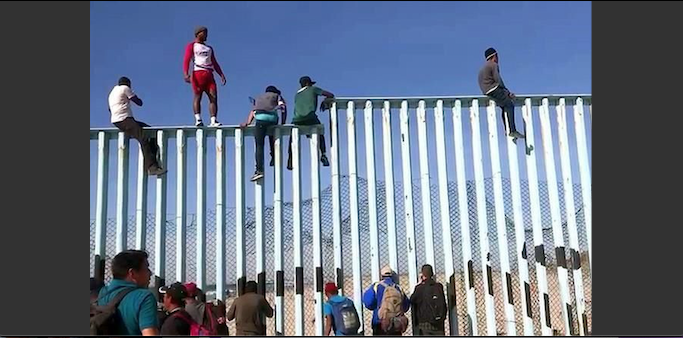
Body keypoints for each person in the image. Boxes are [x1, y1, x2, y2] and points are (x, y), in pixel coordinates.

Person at [108, 77, 166, 176]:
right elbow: (139, 102)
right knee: (143, 138)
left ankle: (150, 160)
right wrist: (132, 94)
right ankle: (152, 167)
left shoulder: (112, 92)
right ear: (128, 84)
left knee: (150, 130)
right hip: (124, 119)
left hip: (118, 120)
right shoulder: (125, 88)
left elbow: (109, 109)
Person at [96, 250, 160, 336]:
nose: (150, 273)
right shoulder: (144, 297)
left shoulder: (102, 293)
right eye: (146, 268)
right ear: (132, 273)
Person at [478, 47, 526, 143]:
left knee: (504, 106)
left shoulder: (483, 68)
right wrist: (507, 92)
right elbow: (498, 79)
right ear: (494, 56)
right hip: (493, 88)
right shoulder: (493, 65)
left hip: (486, 91)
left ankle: (507, 129)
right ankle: (512, 130)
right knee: (510, 104)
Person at [287, 76, 334, 170]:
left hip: (297, 119)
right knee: (320, 132)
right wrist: (324, 102)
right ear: (308, 84)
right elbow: (330, 94)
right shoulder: (313, 89)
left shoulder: (297, 94)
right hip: (310, 117)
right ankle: (323, 154)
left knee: (292, 137)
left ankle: (290, 159)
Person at [240, 86, 287, 182]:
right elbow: (283, 107)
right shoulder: (277, 96)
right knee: (272, 137)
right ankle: (273, 156)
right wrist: (283, 122)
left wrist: (247, 123)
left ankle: (259, 171)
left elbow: (253, 111)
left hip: (260, 120)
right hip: (272, 120)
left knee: (259, 145)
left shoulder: (258, 97)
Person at [183, 26, 227, 127]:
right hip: (198, 73)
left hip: (209, 74)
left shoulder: (209, 48)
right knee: (198, 96)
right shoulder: (192, 46)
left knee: (213, 97)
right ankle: (198, 119)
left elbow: (214, 62)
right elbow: (186, 59)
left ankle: (213, 120)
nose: (206, 35)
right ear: (198, 33)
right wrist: (185, 73)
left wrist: (221, 74)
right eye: (204, 33)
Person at [362, 266, 410, 336]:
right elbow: (406, 307)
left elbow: (368, 303)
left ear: (381, 276)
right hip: (396, 325)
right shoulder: (398, 288)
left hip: (380, 324)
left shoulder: (376, 287)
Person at [409, 264, 447, 336]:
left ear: (422, 275)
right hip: (438, 323)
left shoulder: (419, 288)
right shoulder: (439, 286)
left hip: (425, 324)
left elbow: (412, 300)